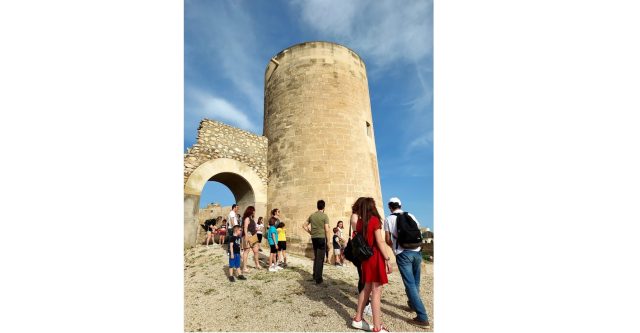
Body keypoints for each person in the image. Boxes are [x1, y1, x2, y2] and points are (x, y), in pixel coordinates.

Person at [384, 197, 430, 328]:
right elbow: (418, 232)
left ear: (389, 207)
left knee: (409, 284)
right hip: (417, 251)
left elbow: (387, 239)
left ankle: (422, 318)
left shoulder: (388, 219)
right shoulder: (410, 214)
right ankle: (412, 304)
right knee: (415, 282)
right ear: (400, 205)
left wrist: (394, 246)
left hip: (403, 253)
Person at [351, 197, 393, 333]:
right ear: (371, 206)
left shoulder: (359, 223)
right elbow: (380, 241)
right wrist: (387, 258)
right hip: (375, 257)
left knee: (367, 288)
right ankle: (377, 327)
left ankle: (358, 319)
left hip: (365, 259)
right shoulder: (374, 220)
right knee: (376, 292)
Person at [349, 197, 372, 317]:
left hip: (365, 249)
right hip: (360, 250)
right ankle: (365, 304)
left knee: (366, 277)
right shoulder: (355, 215)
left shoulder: (362, 216)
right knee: (363, 277)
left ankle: (367, 301)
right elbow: (357, 229)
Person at [303, 199, 330, 284]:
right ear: (324, 207)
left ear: (317, 206)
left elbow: (304, 225)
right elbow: (326, 229)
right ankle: (318, 278)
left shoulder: (312, 215)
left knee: (316, 257)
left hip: (314, 238)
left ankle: (315, 275)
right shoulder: (325, 216)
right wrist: (328, 241)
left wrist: (310, 232)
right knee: (320, 258)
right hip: (321, 238)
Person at [241, 206, 261, 273]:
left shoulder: (251, 219)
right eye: (254, 211)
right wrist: (246, 236)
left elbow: (251, 227)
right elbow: (245, 228)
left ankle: (257, 264)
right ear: (251, 211)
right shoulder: (247, 218)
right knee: (246, 251)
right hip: (248, 235)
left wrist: (256, 229)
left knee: (256, 251)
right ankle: (244, 268)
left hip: (253, 236)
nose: (254, 212)